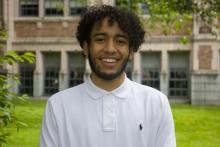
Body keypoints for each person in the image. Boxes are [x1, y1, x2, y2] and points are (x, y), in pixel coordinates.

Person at [39, 5, 176, 147]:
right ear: (86, 47)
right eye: (100, 39)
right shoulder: (58, 106)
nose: (110, 49)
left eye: (120, 41)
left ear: (131, 51)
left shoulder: (156, 103)